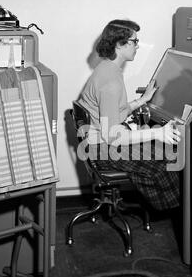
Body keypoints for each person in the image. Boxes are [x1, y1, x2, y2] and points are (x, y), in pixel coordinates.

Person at [77, 19, 181, 211]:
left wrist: (141, 101)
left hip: (97, 142)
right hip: (103, 150)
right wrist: (157, 133)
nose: (137, 46)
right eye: (134, 41)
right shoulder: (111, 81)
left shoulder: (107, 68)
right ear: (119, 44)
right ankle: (177, 213)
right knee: (168, 160)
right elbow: (112, 136)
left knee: (156, 148)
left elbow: (113, 113)